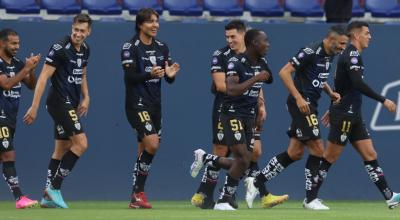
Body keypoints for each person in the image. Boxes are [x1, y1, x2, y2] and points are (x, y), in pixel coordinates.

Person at [244, 25, 349, 210]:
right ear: (331, 39)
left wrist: (330, 92)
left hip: (311, 104)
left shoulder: (330, 54)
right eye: (341, 44)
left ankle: (257, 181)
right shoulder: (309, 51)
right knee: (318, 148)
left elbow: (318, 76)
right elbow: (284, 72)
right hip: (301, 104)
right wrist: (299, 98)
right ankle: (310, 199)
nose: (343, 48)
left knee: (295, 153)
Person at [191, 20, 287, 210]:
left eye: (233, 36)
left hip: (249, 111)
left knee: (251, 154)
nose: (229, 40)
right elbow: (224, 87)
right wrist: (254, 79)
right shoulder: (224, 56)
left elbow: (264, 81)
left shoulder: (259, 59)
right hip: (228, 109)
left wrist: (261, 104)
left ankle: (227, 189)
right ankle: (207, 195)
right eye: (227, 37)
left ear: (245, 36)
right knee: (227, 152)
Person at [316, 21, 400, 210]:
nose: (370, 36)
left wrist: (332, 106)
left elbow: (341, 86)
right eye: (367, 33)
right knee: (330, 156)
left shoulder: (350, 55)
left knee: (370, 154)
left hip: (352, 113)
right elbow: (357, 84)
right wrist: (384, 100)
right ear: (356, 36)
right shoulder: (352, 55)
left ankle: (389, 196)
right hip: (346, 114)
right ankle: (311, 197)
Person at [23, 14, 92, 209]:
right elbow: (44, 78)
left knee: (61, 149)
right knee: (81, 143)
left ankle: (46, 198)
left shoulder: (86, 49)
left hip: (71, 101)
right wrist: (34, 106)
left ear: (89, 32)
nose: (78, 34)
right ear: (72, 28)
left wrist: (86, 96)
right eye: (75, 30)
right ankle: (54, 187)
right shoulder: (60, 48)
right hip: (59, 102)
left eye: (82, 31)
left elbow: (82, 73)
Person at [120, 8, 180, 209]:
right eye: (150, 22)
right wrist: (149, 75)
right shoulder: (130, 47)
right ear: (140, 25)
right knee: (153, 144)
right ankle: (139, 192)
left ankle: (135, 198)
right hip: (136, 105)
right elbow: (129, 77)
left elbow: (167, 78)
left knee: (144, 150)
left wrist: (170, 74)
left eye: (156, 21)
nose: (155, 25)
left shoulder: (163, 47)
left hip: (155, 106)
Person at [0, 28, 40, 209]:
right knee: (8, 154)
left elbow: (31, 85)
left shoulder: (16, 63)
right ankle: (19, 198)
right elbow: (7, 84)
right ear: (2, 43)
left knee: (5, 155)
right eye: (13, 43)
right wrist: (26, 68)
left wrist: (31, 70)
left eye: (18, 43)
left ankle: (19, 198)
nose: (17, 47)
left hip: (10, 117)